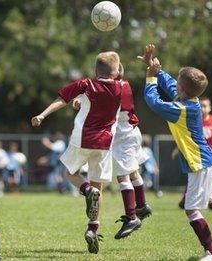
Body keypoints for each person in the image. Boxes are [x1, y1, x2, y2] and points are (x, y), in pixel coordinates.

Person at [138, 44, 212, 260]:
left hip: (199, 164)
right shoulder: (189, 100)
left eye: (178, 81)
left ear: (182, 89)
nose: (175, 84)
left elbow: (153, 102)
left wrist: (151, 78)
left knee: (191, 210)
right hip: (207, 161)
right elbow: (172, 85)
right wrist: (156, 68)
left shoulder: (181, 109)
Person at [31, 51, 122, 254]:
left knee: (70, 173)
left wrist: (42, 114)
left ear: (95, 70)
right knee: (99, 184)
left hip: (82, 139)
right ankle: (92, 228)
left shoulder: (86, 85)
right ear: (116, 72)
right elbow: (108, 87)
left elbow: (62, 99)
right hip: (105, 143)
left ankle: (86, 190)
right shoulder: (121, 87)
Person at [73, 62, 152, 240]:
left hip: (123, 137)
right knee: (133, 172)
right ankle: (142, 205)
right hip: (132, 131)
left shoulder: (114, 88)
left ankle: (132, 217)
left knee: (122, 176)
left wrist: (82, 100)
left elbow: (100, 100)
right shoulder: (124, 85)